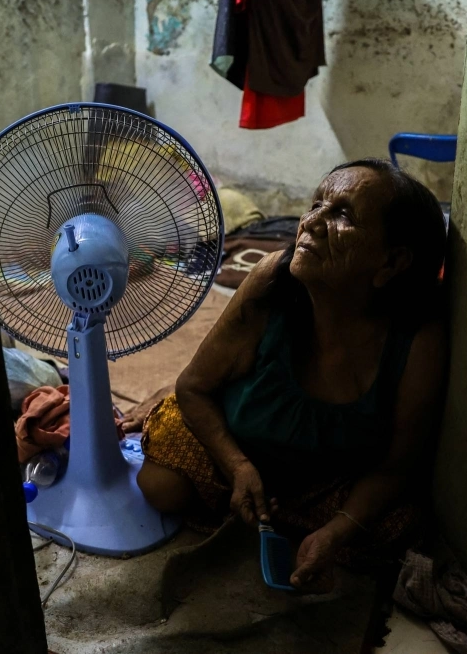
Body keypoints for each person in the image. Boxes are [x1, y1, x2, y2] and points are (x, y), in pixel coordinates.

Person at [131, 158, 448, 593]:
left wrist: (335, 532)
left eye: (342, 214)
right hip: (242, 447)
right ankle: (258, 499)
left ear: (391, 263)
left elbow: (397, 468)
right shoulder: (271, 281)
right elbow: (194, 387)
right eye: (317, 203)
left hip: (329, 479)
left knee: (395, 530)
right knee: (159, 485)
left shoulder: (417, 342)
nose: (311, 223)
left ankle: (282, 516)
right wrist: (239, 467)